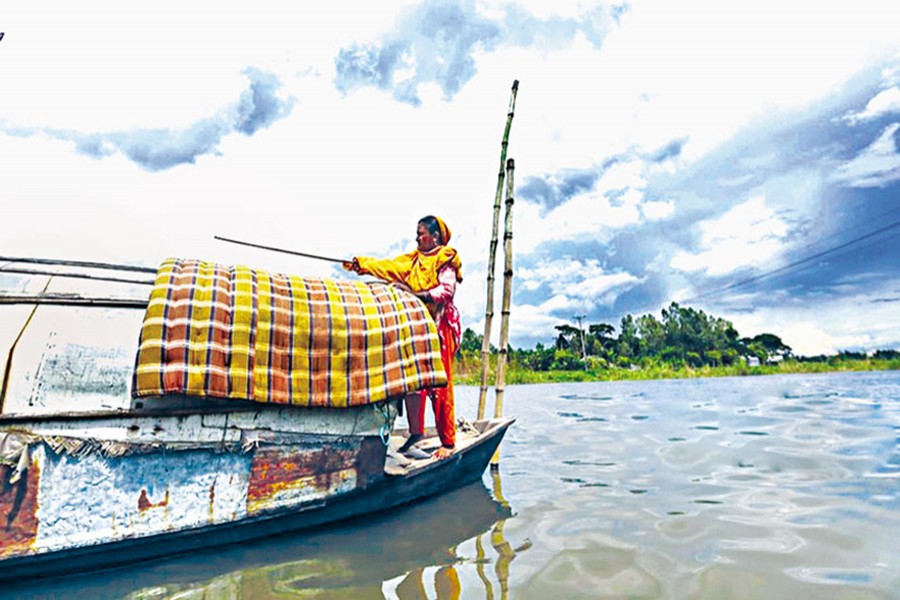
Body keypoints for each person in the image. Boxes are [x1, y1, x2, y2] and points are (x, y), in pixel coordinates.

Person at [344, 215, 462, 460]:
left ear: (435, 237)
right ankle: (416, 432)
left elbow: (446, 291)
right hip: (419, 329)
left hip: (440, 329)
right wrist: (361, 264)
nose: (417, 238)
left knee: (440, 386)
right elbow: (387, 267)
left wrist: (415, 294)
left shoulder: (445, 259)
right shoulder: (413, 261)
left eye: (421, 233)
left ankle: (448, 442)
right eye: (417, 233)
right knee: (413, 383)